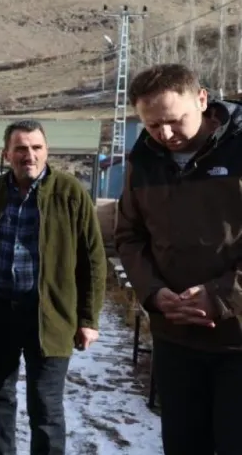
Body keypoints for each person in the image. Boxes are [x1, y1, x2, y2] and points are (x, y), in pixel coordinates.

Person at [115, 63, 242, 454]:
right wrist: (153, 293)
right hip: (175, 340)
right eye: (153, 125)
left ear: (202, 99)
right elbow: (130, 236)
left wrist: (222, 296)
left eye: (174, 120)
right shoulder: (144, 160)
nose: (165, 134)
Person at [0, 120, 107, 455]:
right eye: (20, 148)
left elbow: (93, 258)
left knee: (45, 406)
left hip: (50, 316)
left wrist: (88, 319)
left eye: (36, 148)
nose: (29, 155)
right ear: (6, 154)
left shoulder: (69, 192)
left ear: (47, 151)